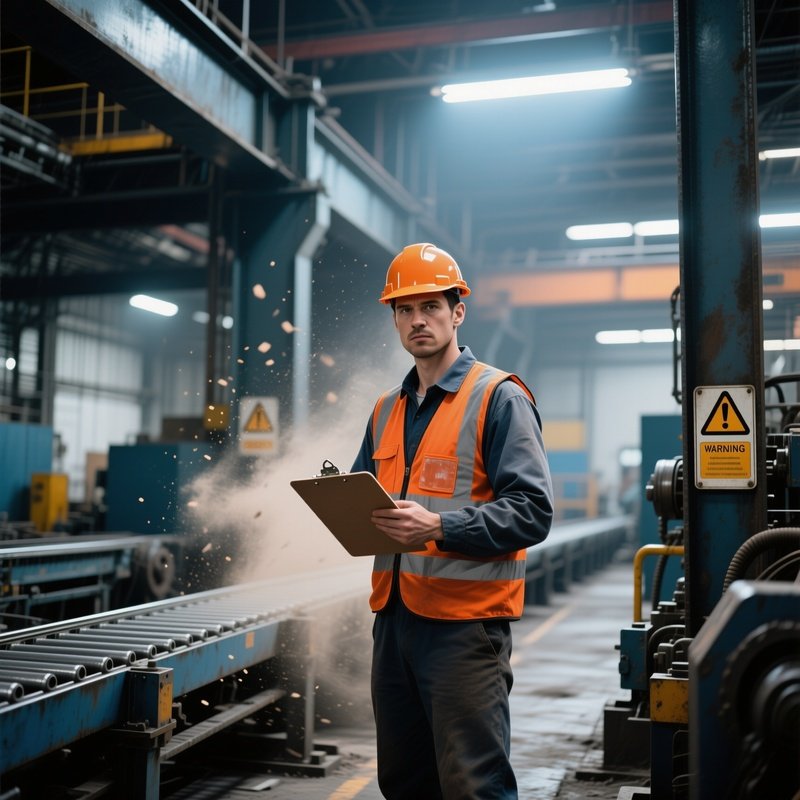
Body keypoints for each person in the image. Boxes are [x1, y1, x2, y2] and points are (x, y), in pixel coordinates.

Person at [350, 243, 554, 799]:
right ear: (393, 317)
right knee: (404, 781)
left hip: (464, 631)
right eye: (404, 309)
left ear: (457, 311)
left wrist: (438, 529)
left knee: (472, 785)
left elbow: (533, 511)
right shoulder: (384, 410)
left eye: (431, 307)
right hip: (393, 623)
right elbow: (364, 500)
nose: (417, 320)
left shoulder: (499, 397)